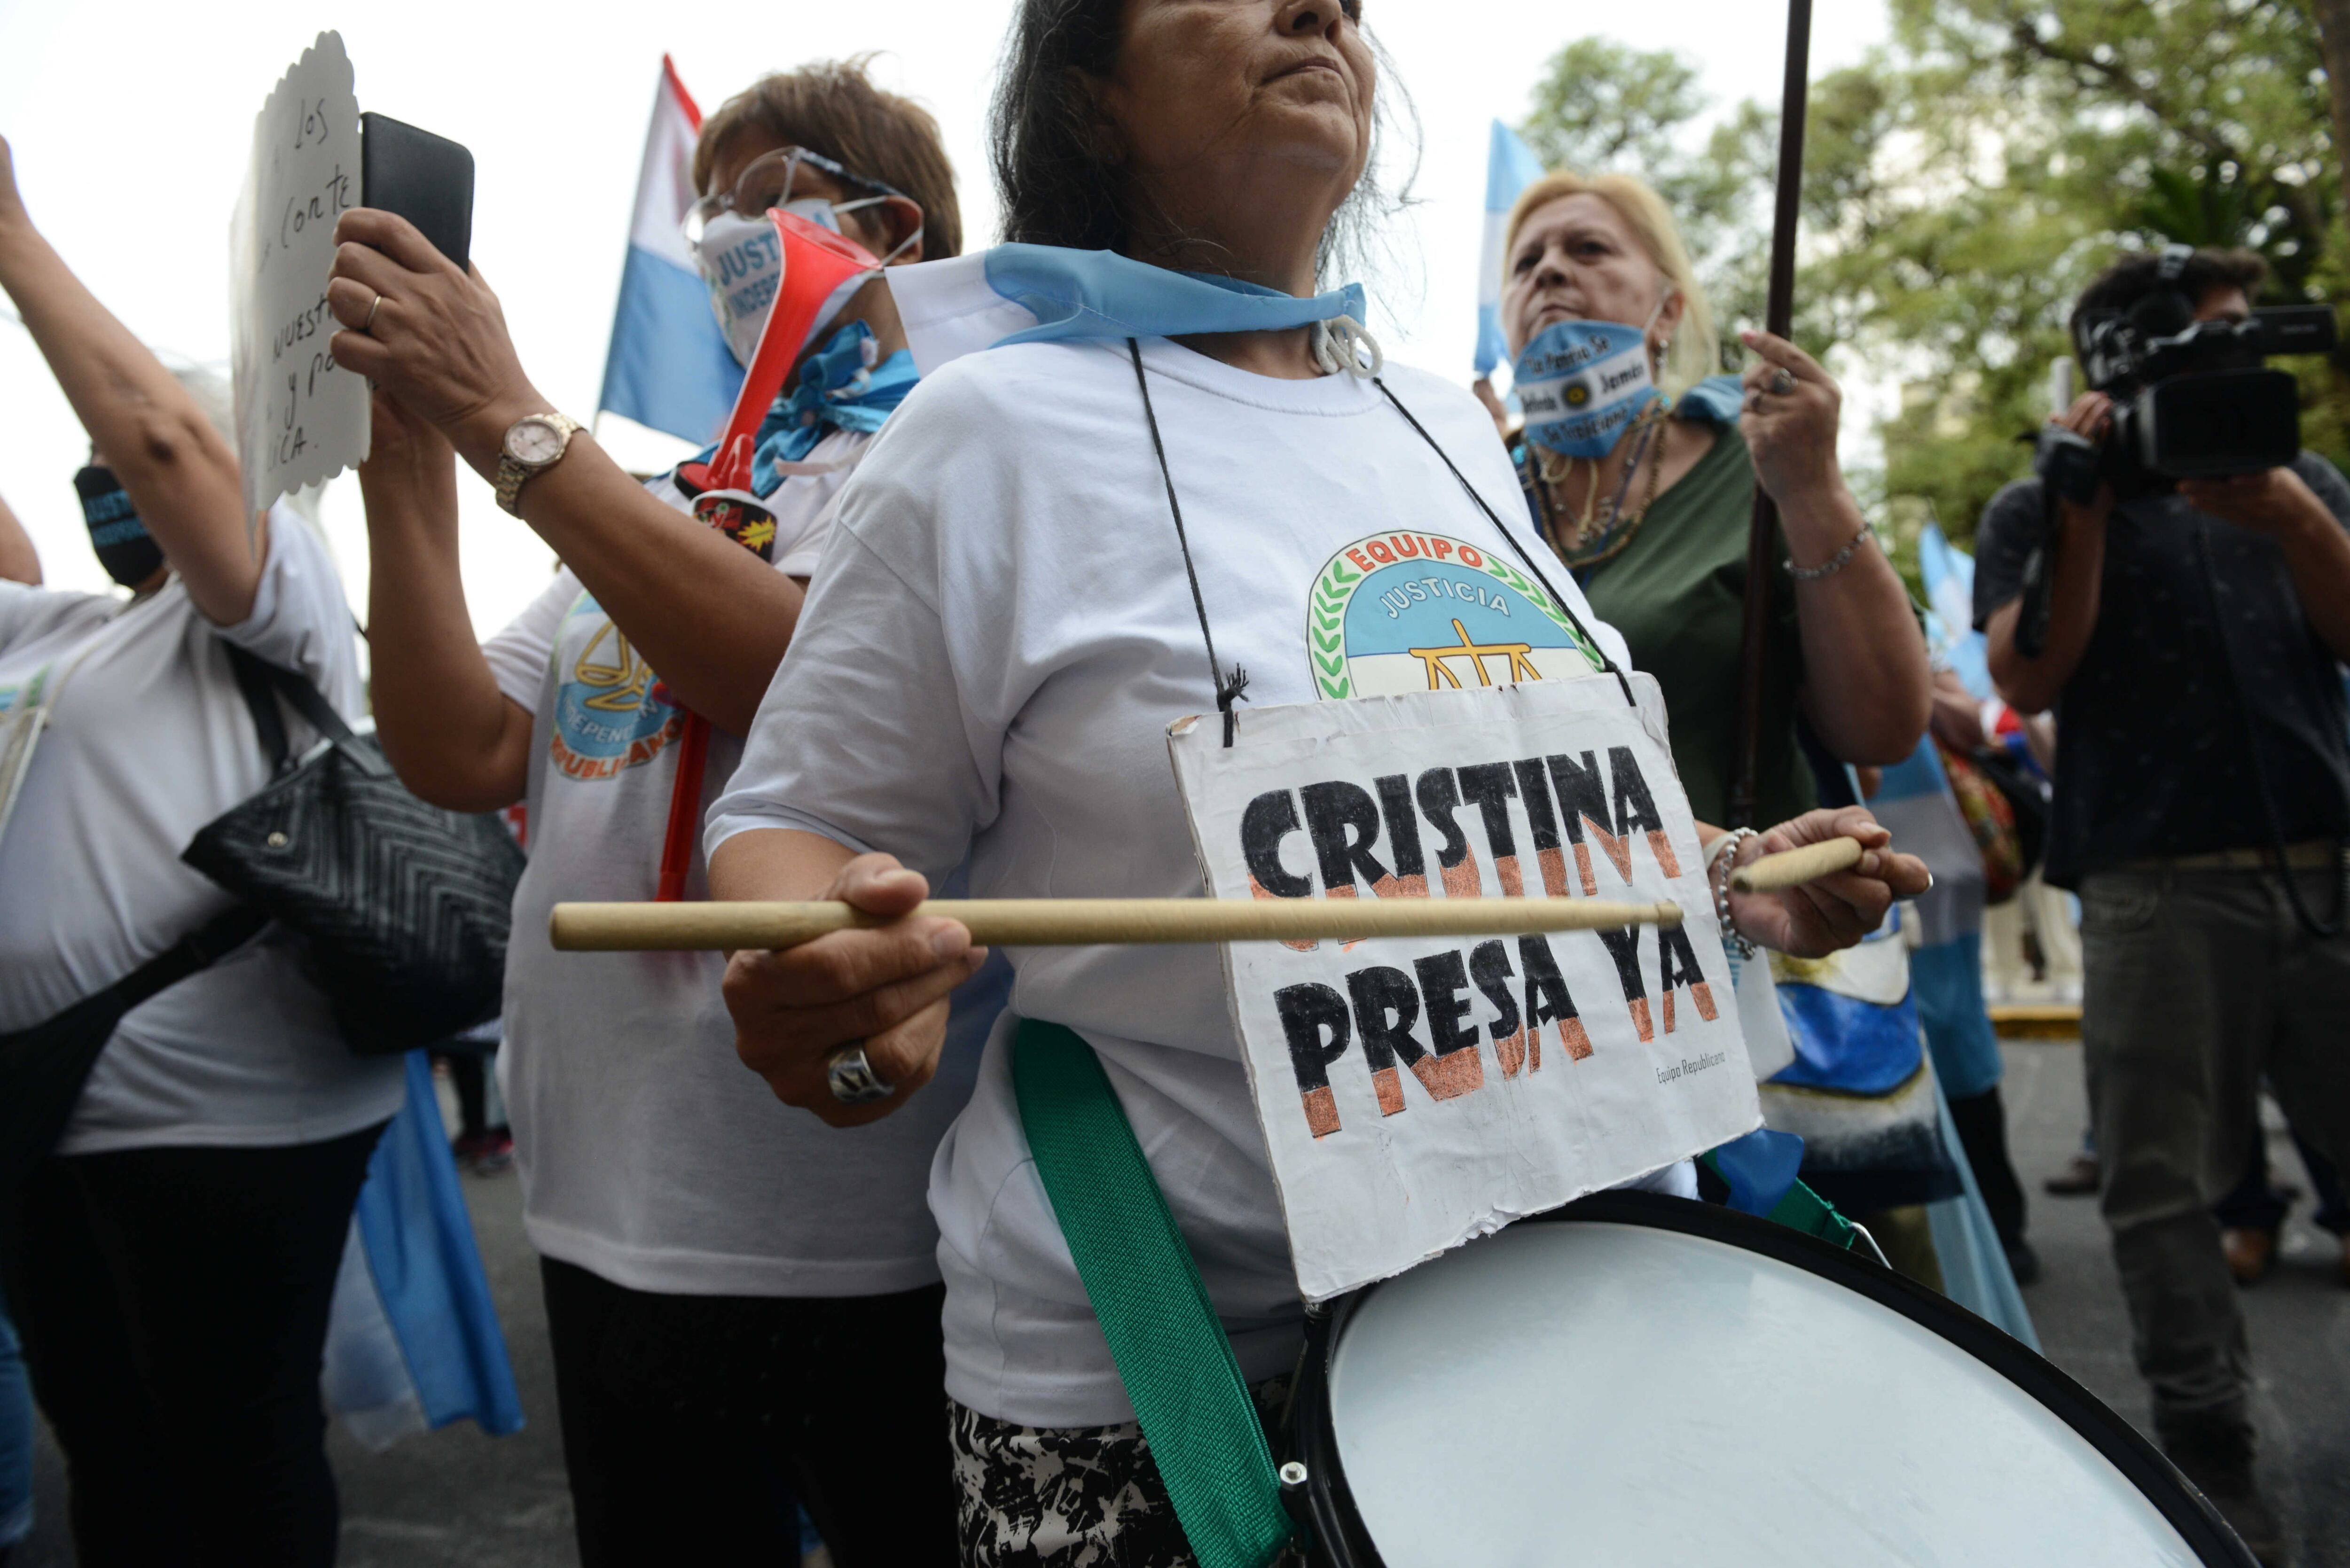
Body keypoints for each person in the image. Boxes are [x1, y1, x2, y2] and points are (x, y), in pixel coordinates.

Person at [702, 5, 1930, 1562]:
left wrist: (1727, 862)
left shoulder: (1443, 424)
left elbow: (1519, 778)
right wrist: (834, 977)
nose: (1322, 10)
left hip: (1602, 1286)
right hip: (1199, 1384)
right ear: (1088, 104)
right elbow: (803, 825)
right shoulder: (983, 431)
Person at [337, 60, 998, 1566]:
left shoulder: (953, 453)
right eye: (710, 208)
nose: (725, 236)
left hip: (863, 1233)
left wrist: (507, 416)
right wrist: (403, 450)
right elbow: (461, 742)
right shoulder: (671, 494)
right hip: (604, 1206)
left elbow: (789, 672)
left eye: (770, 193)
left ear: (894, 227)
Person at [0, 136, 400, 1564]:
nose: (112, 468)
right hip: (53, 1114)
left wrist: (14, 234)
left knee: (231, 1451)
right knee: (112, 1452)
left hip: (226, 1120)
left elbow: (168, 444)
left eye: (129, 445)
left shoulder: (275, 583)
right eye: (85, 459)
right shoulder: (67, 630)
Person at [1974, 244, 2350, 1562]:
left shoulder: (2301, 477)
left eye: (2250, 335)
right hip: (2149, 890)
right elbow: (2027, 680)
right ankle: (2211, 1450)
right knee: (2156, 1192)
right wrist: (2083, 512)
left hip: (2324, 873)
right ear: (2122, 362)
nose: (2241, 362)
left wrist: (2296, 517)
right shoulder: (2043, 504)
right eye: (2212, 341)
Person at [1491, 170, 1929, 827]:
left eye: (1589, 249)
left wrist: (1813, 490)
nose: (1549, 271)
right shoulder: (1467, 490)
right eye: (1527, 262)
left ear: (1667, 310)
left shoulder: (1762, 464)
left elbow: (1883, 730)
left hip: (1741, 914)